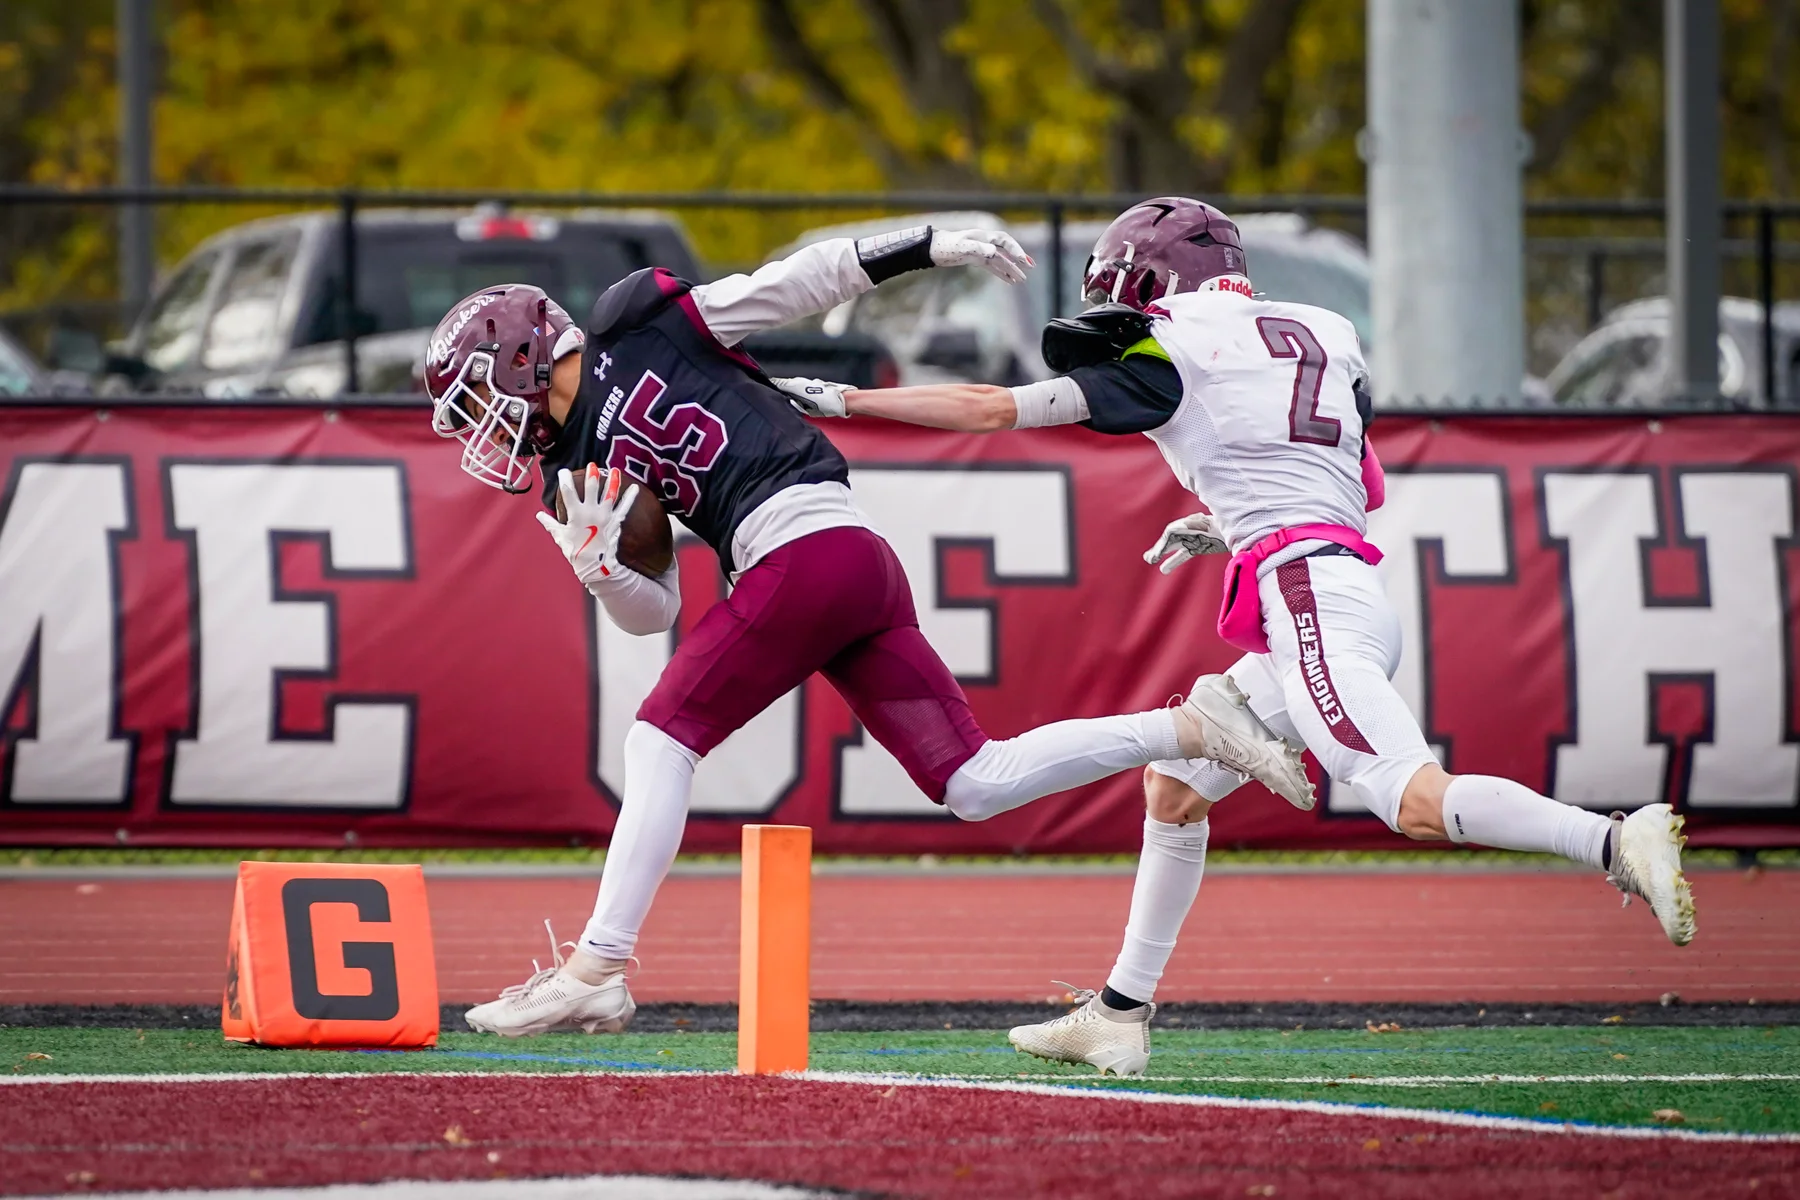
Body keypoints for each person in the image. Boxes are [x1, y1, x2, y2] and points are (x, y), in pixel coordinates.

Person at [773, 196, 1696, 1077]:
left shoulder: (1167, 343)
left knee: (1407, 797)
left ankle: (1613, 843)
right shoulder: (1327, 331)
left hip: (1307, 595)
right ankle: (1120, 1016)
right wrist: (1233, 520)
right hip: (1340, 580)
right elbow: (1356, 482)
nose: (1116, 306)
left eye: (1124, 287)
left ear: (1154, 279)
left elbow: (989, 409)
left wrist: (847, 402)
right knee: (1174, 791)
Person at [421, 221, 1311, 1037]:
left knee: (662, 737)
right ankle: (1194, 727)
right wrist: (605, 572)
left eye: (474, 399)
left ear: (521, 356)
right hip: (840, 563)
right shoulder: (570, 467)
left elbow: (794, 282)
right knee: (973, 781)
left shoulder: (635, 320)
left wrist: (925, 246)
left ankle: (599, 963)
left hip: (804, 547)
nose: (480, 429)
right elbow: (654, 609)